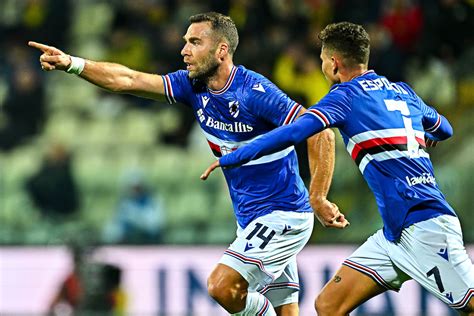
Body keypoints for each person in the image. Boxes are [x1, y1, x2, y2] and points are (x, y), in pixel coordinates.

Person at [29, 12, 347, 316]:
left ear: (222, 50)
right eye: (185, 41)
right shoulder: (191, 87)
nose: (184, 50)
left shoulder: (254, 91)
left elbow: (321, 134)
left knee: (221, 287)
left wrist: (318, 196)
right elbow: (126, 79)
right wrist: (72, 64)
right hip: (250, 218)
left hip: (283, 214)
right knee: (285, 308)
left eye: (195, 42)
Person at [200, 22, 474, 315]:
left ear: (334, 63)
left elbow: (293, 132)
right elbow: (444, 127)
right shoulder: (402, 91)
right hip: (393, 235)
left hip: (425, 225)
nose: (321, 65)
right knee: (329, 305)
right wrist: (428, 137)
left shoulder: (345, 97)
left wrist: (234, 157)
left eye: (321, 59)